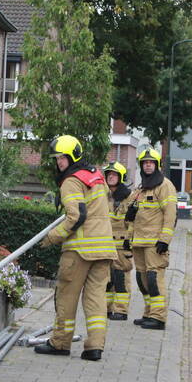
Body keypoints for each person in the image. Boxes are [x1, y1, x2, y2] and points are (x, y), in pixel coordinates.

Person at [35, 136, 117, 360]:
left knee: (66, 296)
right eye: (57, 158)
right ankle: (94, 347)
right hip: (104, 248)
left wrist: (53, 237)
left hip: (79, 250)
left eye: (61, 158)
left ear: (71, 156)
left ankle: (60, 343)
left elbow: (76, 215)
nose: (59, 162)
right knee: (96, 299)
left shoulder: (71, 180)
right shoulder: (96, 175)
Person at [127, 148, 177, 330]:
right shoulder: (141, 188)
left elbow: (171, 215)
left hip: (155, 243)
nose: (148, 165)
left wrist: (165, 239)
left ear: (157, 165)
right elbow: (131, 213)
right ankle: (149, 313)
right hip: (139, 241)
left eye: (151, 162)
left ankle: (159, 317)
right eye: (145, 163)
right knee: (143, 280)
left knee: (155, 279)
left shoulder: (165, 186)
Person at [103, 162, 134, 321]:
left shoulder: (129, 197)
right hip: (106, 244)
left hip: (123, 244)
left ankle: (121, 311)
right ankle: (107, 310)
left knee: (121, 279)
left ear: (121, 177)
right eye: (108, 174)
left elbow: (133, 221)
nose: (110, 177)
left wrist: (130, 240)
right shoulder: (104, 196)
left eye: (114, 175)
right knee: (107, 279)